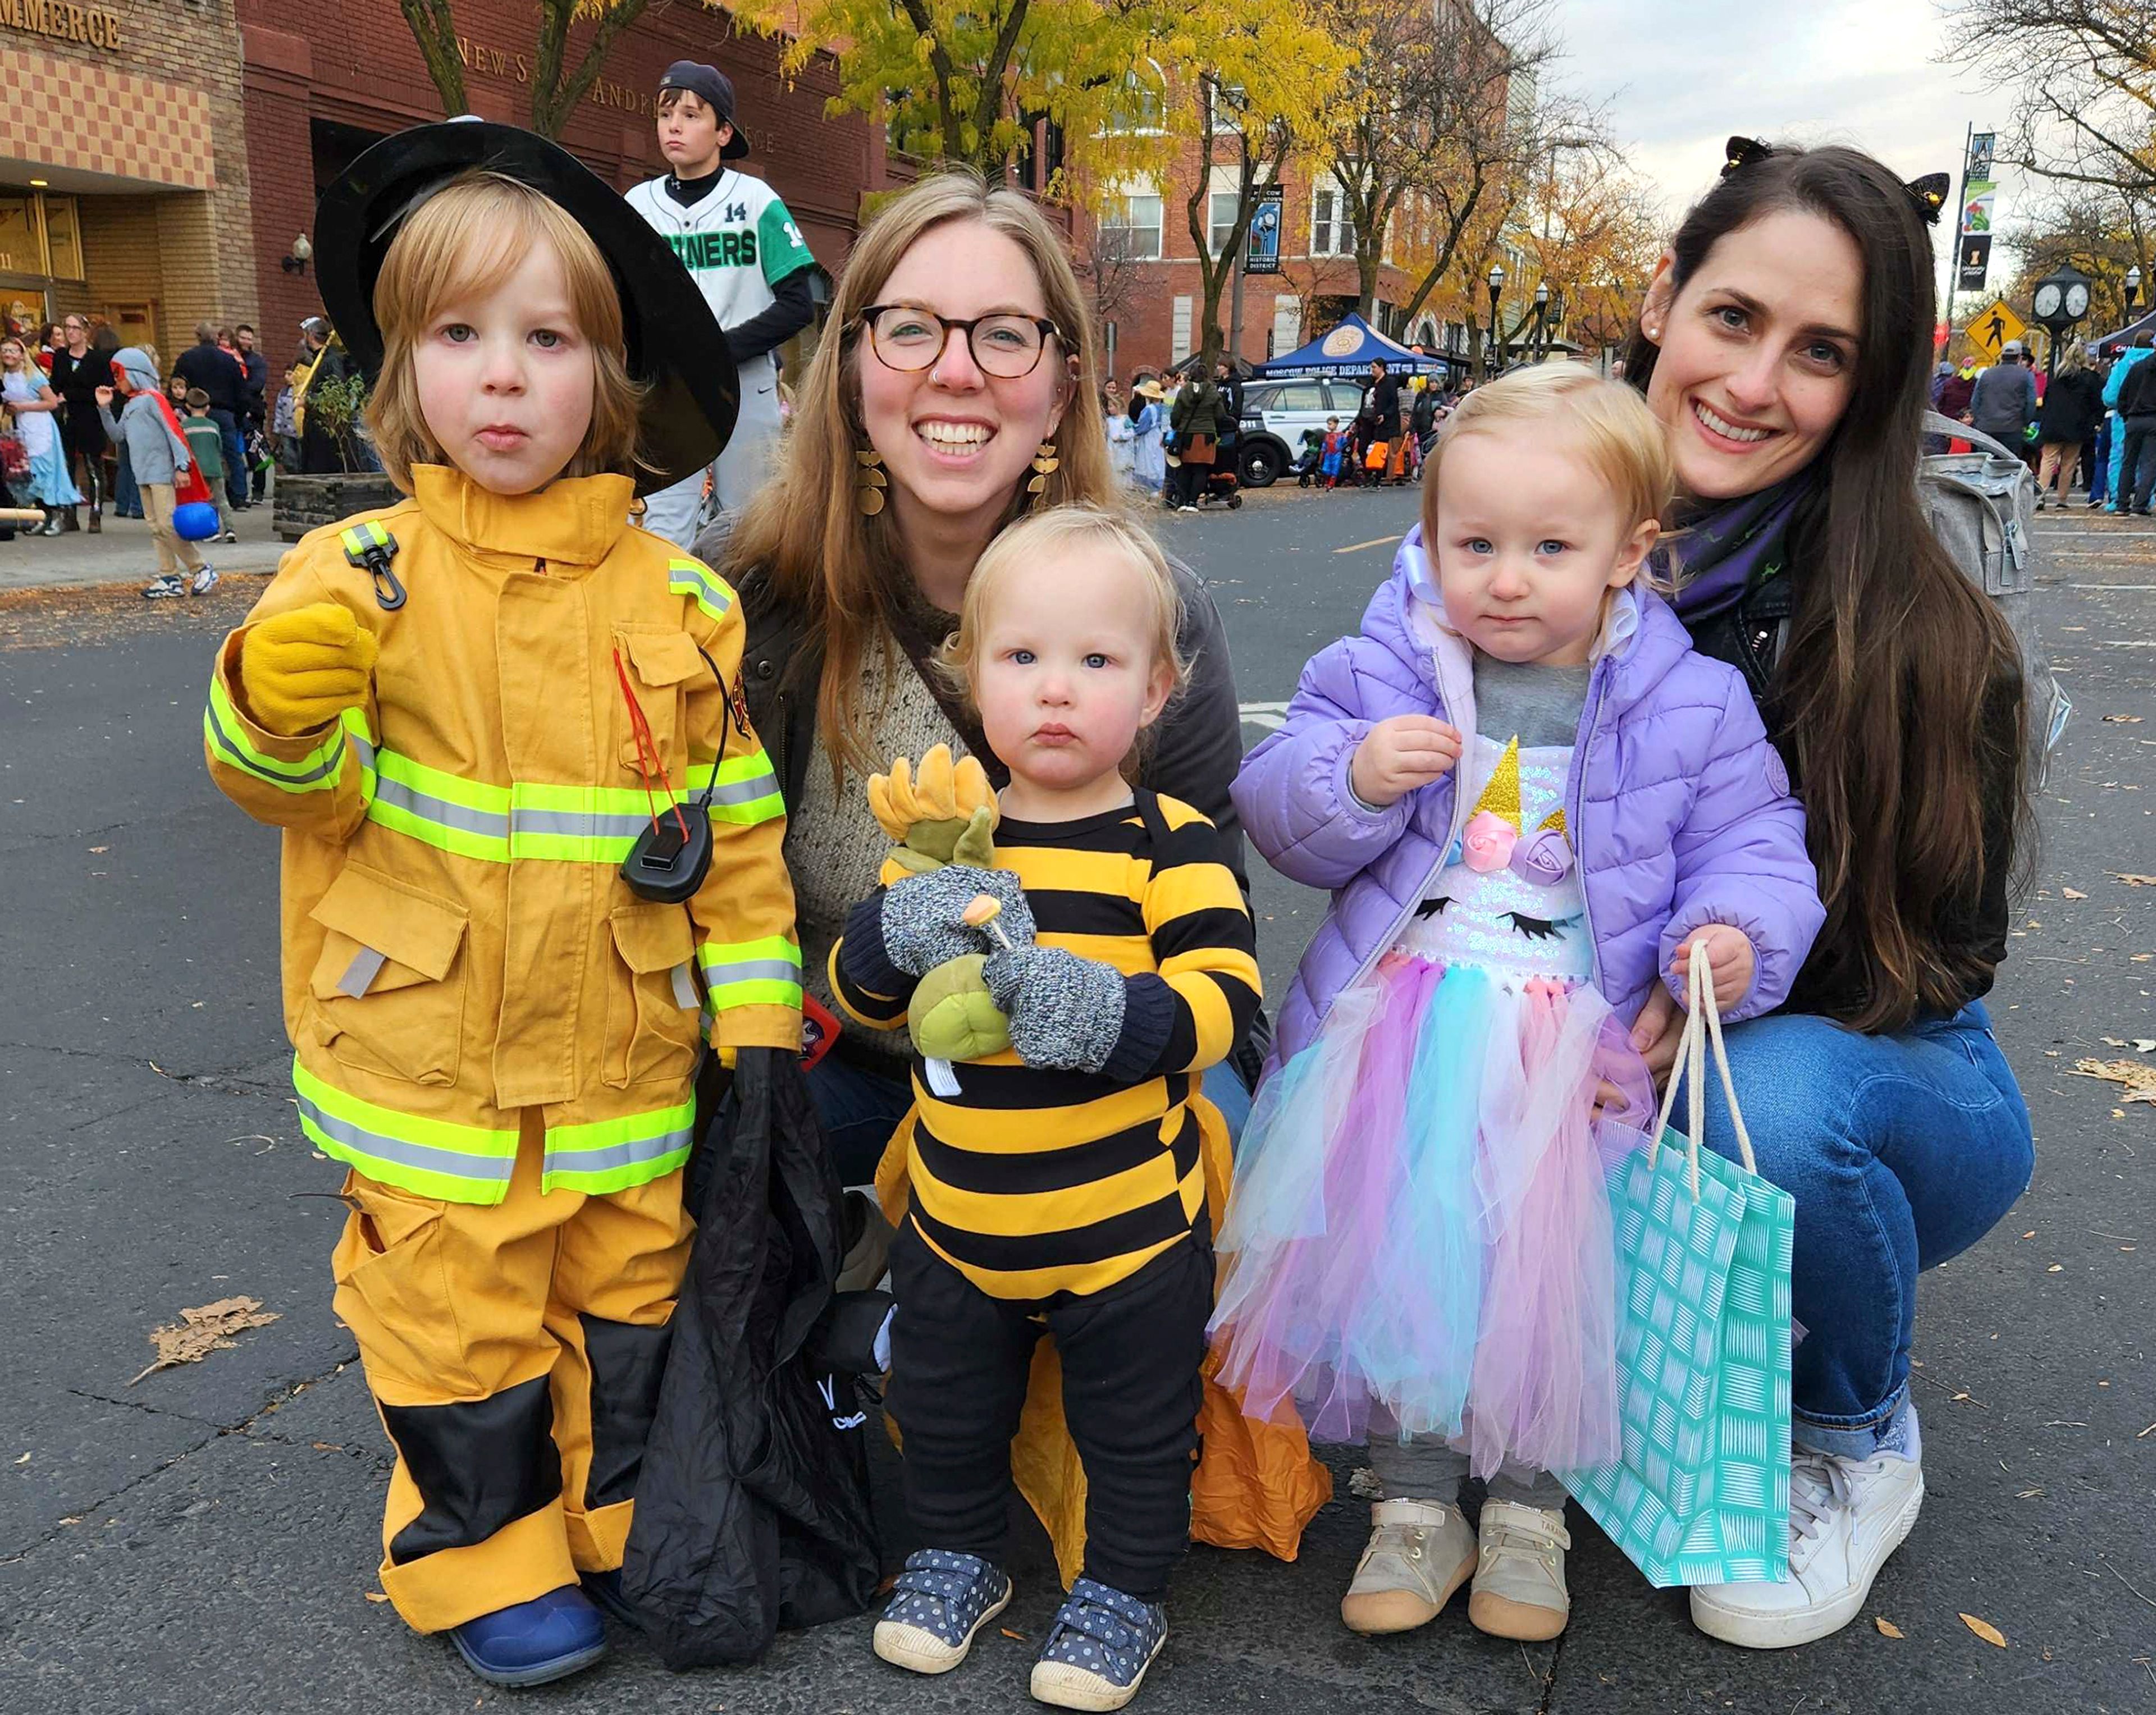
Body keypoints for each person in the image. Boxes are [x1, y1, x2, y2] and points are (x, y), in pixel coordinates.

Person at [200, 124, 794, 1689]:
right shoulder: (356, 574)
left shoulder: (685, 602)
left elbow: (732, 825)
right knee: (457, 1318)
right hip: (430, 1066)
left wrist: (759, 1011)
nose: (505, 377)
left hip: (623, 1061)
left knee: (626, 1299)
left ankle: (612, 1523)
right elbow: (287, 782)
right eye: (459, 335)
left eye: (547, 339)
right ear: (403, 369)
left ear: (615, 377)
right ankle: (485, 1549)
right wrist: (270, 701)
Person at [1215, 364, 1821, 1647]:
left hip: (1571, 1052)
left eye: (1549, 546)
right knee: (1410, 1275)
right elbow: (1276, 797)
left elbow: (1753, 840)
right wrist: (1353, 775)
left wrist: (1730, 935)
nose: (1503, 577)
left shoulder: (1688, 699)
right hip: (1404, 1040)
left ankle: (1532, 1512)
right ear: (1428, 538)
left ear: (1626, 551)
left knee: (1544, 1293)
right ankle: (1416, 1501)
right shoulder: (1386, 662)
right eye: (1471, 542)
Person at [1623, 140, 2034, 1647]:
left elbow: (1943, 955)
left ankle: (1852, 1432)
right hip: (1612, 1044)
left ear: (1869, 388)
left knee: (1772, 1106)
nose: (1755, 381)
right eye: (1734, 317)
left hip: (1878, 1066)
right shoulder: (1518, 538)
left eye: (1821, 352)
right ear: (1664, 295)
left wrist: (1698, 979)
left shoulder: (1924, 629)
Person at [700, 171, 1257, 1199]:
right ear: (853, 368)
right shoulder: (750, 602)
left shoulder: (1159, 613)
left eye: (1005, 335)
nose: (956, 373)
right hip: (852, 1072)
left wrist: (1117, 1025)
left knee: (1222, 1177)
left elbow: (1215, 918)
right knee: (728, 1170)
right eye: (910, 328)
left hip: (1111, 1068)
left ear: (1060, 384)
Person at [839, 505, 1259, 1711]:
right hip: (962, 1226)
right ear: (974, 675)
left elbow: (1223, 1000)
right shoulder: (944, 845)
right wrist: (888, 931)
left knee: (1136, 1422)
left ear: (1160, 687)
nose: (1057, 690)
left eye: (1098, 661)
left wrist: (1112, 1013)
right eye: (1023, 658)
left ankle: (1126, 1585)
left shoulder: (1166, 842)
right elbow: (858, 994)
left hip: (1128, 1228)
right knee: (942, 1400)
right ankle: (958, 1556)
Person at [626, 60, 816, 545]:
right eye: (666, 114)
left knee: (751, 528)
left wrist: (722, 349)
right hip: (670, 386)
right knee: (663, 528)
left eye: (692, 115)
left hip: (744, 381)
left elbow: (798, 304)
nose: (674, 125)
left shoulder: (756, 201)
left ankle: (746, 622)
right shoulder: (638, 204)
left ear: (723, 132)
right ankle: (670, 623)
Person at [95, 347, 213, 597]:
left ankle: (200, 568)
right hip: (143, 474)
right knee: (156, 528)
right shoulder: (131, 405)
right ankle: (169, 575)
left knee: (168, 525)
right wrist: (104, 409)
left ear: (134, 373)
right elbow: (118, 436)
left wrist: (182, 466)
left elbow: (174, 432)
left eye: (119, 374)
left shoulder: (153, 399)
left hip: (160, 472)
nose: (117, 380)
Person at [2, 335, 84, 533]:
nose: (8, 354)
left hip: (40, 427)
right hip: (21, 428)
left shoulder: (33, 376)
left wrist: (22, 406)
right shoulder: (4, 377)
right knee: (30, 474)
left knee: (45, 471)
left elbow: (52, 402)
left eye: (13, 351)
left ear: (22, 355)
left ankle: (57, 515)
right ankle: (41, 514)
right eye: (4, 351)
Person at [173, 321, 252, 510]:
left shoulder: (187, 359)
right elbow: (241, 390)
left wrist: (182, 409)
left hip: (195, 412)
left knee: (197, 455)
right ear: (216, 337)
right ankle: (239, 496)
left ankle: (201, 495)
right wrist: (239, 416)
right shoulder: (228, 360)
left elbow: (177, 385)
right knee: (233, 455)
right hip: (225, 412)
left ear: (197, 336)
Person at [47, 313, 112, 530]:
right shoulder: (61, 357)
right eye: (67, 327)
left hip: (89, 418)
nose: (71, 332)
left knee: (93, 465)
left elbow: (102, 391)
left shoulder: (98, 359)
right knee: (67, 465)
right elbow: (55, 384)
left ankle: (95, 513)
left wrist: (71, 395)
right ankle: (69, 514)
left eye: (75, 328)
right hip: (66, 418)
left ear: (84, 332)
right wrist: (55, 397)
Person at [2034, 345, 2102, 509]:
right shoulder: (2090, 378)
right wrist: (2096, 422)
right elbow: (2097, 403)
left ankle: (2040, 495)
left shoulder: (2057, 378)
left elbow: (2047, 402)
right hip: (2077, 425)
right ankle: (2062, 500)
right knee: (2069, 463)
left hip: (2053, 424)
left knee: (2048, 460)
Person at [181, 388, 239, 542]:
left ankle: (211, 531)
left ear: (188, 406)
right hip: (215, 467)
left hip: (197, 470)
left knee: (203, 501)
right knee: (222, 499)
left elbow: (184, 449)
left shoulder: (185, 427)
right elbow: (219, 446)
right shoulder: (214, 426)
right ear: (208, 407)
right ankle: (230, 529)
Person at [1967, 341, 2036, 453]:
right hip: (2012, 428)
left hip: (1986, 427)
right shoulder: (2026, 375)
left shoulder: (1987, 374)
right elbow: (2031, 402)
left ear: (2002, 356)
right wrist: (2025, 422)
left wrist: (1980, 421)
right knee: (2009, 466)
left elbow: (1975, 401)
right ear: (2019, 357)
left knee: (1985, 464)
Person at [1166, 368, 1219, 513]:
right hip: (1206, 435)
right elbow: (1220, 414)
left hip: (1187, 435)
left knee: (1185, 468)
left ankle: (1183, 501)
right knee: (1201, 470)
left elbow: (1176, 414)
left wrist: (1177, 427)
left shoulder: (1184, 392)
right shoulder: (1213, 392)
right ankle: (1193, 502)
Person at [2114, 339, 2156, 514]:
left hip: (2133, 419)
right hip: (2153, 419)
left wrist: (2126, 415)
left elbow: (2122, 395)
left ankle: (2122, 503)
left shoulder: (2137, 367)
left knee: (2128, 462)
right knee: (2149, 464)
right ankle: (2140, 505)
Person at [235, 323, 272, 501]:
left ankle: (258, 490)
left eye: (249, 338)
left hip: (252, 412)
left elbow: (257, 385)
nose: (246, 341)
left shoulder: (257, 362)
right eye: (243, 337)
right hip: (235, 411)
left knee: (256, 452)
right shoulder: (231, 357)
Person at [1130, 376, 1167, 494]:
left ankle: (1149, 488)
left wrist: (1133, 430)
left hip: (1149, 437)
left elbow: (1142, 427)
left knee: (1148, 461)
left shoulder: (1148, 409)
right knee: (1158, 461)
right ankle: (1157, 488)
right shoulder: (1164, 408)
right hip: (1160, 436)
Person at [1104, 379, 1136, 482]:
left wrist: (1122, 437)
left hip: (1123, 449)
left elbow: (1132, 432)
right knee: (1113, 469)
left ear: (1118, 407)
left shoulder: (1125, 419)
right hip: (1112, 448)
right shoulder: (1108, 421)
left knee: (1123, 470)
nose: (1109, 409)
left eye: (1111, 407)